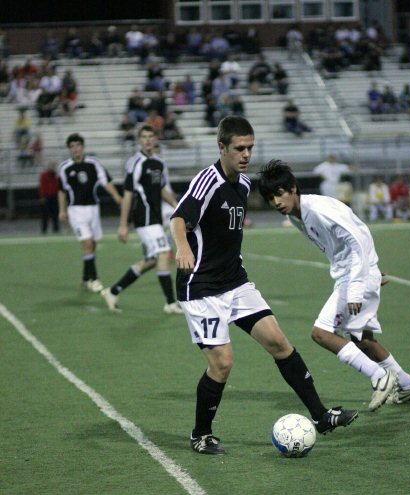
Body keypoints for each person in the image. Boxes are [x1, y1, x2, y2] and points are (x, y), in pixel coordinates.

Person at [169, 116, 358, 455]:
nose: (245, 154)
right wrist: (182, 246)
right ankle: (201, 434)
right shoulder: (206, 181)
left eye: (250, 148)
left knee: (279, 342)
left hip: (234, 281)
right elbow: (180, 217)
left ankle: (320, 417)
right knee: (222, 363)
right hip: (202, 287)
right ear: (222, 147)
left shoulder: (242, 185)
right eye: (239, 148)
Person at [258, 159, 410, 412]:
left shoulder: (319, 210)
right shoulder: (296, 216)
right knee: (363, 340)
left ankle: (379, 377)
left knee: (321, 333)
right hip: (358, 273)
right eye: (270, 198)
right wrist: (371, 272)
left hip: (353, 278)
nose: (276, 202)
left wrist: (359, 284)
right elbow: (353, 240)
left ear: (293, 188)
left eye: (279, 194)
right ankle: (407, 385)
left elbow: (357, 239)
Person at [101, 124, 181, 315]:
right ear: (139, 140)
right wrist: (123, 225)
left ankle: (113, 291)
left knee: (153, 260)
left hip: (154, 217)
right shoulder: (135, 163)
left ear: (155, 139)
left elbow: (162, 189)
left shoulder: (159, 163)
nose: (147, 140)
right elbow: (128, 194)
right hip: (143, 217)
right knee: (163, 253)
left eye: (150, 136)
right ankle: (170, 302)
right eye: (143, 137)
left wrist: (178, 206)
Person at [58, 133, 122, 292]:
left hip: (93, 209)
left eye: (78, 145)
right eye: (72, 146)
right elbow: (61, 191)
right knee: (87, 243)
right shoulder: (64, 168)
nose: (75, 149)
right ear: (69, 149)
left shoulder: (93, 164)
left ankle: (85, 278)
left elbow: (105, 181)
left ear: (83, 147)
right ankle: (94, 279)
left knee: (92, 244)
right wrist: (62, 210)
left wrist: (116, 197)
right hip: (76, 210)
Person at [38, 161, 59, 234]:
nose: (52, 168)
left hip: (54, 196)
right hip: (46, 196)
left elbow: (58, 187)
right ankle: (44, 230)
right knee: (45, 215)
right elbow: (42, 186)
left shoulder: (56, 175)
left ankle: (56, 229)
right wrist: (42, 197)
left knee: (55, 214)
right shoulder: (44, 175)